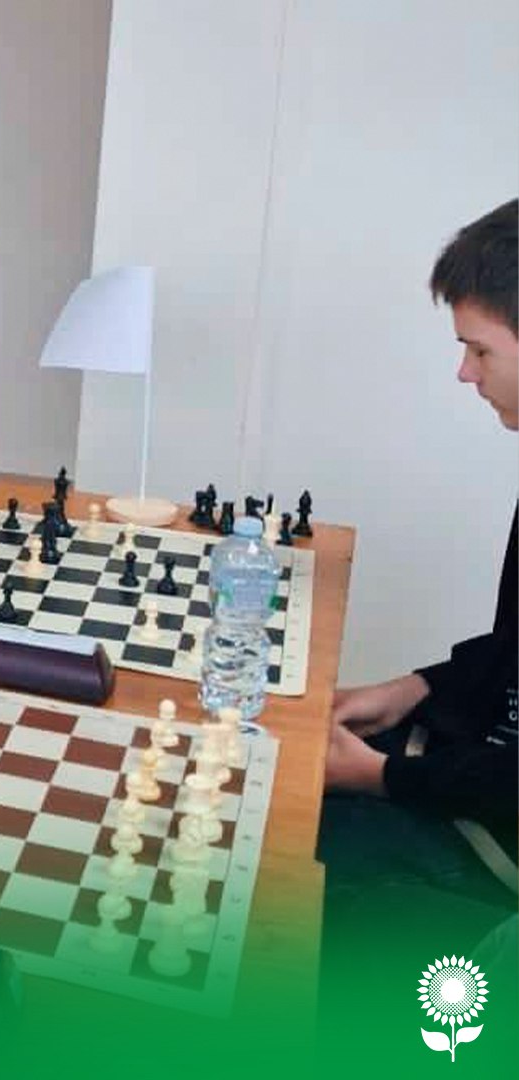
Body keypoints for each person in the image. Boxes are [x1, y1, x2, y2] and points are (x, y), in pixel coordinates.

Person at [319, 199, 518, 951]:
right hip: (480, 771)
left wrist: (379, 778)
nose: (464, 372)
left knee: (282, 851)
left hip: (500, 847)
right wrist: (413, 688)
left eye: (480, 351)